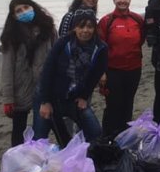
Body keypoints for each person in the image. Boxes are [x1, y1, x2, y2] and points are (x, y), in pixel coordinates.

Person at [36, 9, 107, 143]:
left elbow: (95, 75)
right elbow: (47, 72)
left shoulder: (101, 48)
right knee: (39, 136)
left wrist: (84, 97)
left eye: (90, 27)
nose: (85, 30)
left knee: (95, 132)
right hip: (51, 96)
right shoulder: (63, 43)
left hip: (74, 97)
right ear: (75, 27)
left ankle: (90, 156)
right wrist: (45, 101)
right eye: (81, 26)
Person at [0, 0, 56, 147]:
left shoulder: (48, 29)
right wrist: (8, 98)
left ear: (33, 7)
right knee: (18, 129)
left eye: (26, 7)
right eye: (19, 11)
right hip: (21, 88)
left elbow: (57, 57)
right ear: (13, 16)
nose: (24, 12)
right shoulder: (11, 37)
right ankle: (18, 160)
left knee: (47, 124)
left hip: (44, 86)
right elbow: (7, 67)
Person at [97, 0, 145, 137]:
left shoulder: (137, 19)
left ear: (130, 0)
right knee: (113, 105)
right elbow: (100, 47)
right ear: (114, 0)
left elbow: (141, 39)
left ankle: (125, 135)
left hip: (134, 69)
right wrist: (102, 72)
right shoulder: (107, 20)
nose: (122, 1)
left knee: (128, 103)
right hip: (113, 70)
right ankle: (109, 136)